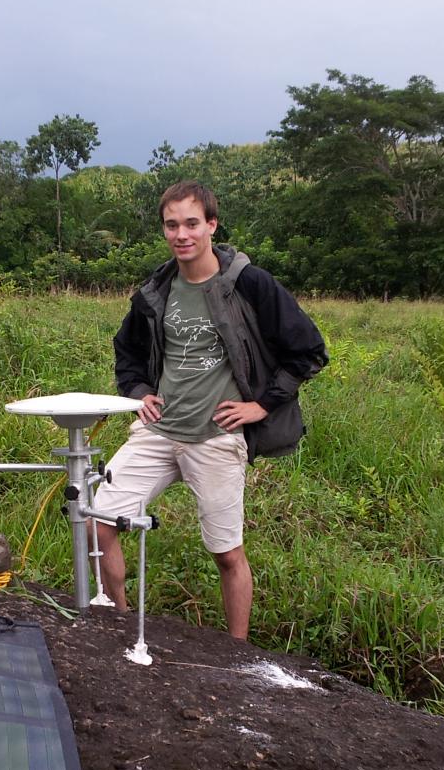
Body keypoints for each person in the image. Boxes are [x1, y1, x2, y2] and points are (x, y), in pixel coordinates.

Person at [92, 180, 327, 639]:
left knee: (226, 553)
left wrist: (261, 405)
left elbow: (309, 350)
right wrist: (138, 389)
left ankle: (237, 655)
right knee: (100, 521)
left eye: (192, 224)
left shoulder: (248, 283)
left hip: (216, 437)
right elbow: (127, 350)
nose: (182, 234)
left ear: (212, 226)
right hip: (159, 431)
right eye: (172, 224)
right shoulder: (156, 290)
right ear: (164, 229)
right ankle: (117, 625)